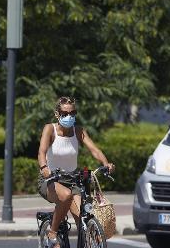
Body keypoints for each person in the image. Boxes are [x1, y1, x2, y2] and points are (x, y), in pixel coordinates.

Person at [37, 96, 115, 248]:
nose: (69, 116)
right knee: (65, 196)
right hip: (51, 180)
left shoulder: (78, 131)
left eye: (73, 113)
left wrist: (106, 164)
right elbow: (41, 152)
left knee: (83, 217)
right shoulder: (49, 129)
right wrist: (44, 168)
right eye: (65, 113)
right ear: (57, 114)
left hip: (73, 180)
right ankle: (52, 233)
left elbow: (94, 150)